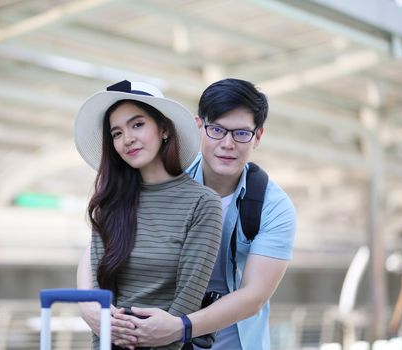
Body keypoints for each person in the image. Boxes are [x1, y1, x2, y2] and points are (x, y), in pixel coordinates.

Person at [112, 78, 297, 350]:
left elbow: (254, 295)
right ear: (199, 126)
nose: (227, 143)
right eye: (216, 130)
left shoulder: (274, 207)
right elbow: (105, 239)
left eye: (241, 133)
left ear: (258, 136)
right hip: (157, 336)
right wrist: (94, 310)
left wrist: (180, 328)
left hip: (234, 342)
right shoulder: (167, 176)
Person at [74, 80, 223, 350]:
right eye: (116, 133)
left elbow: (187, 299)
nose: (127, 138)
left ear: (164, 129)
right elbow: (99, 299)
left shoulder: (202, 203)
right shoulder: (109, 203)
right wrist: (106, 332)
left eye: (137, 124)